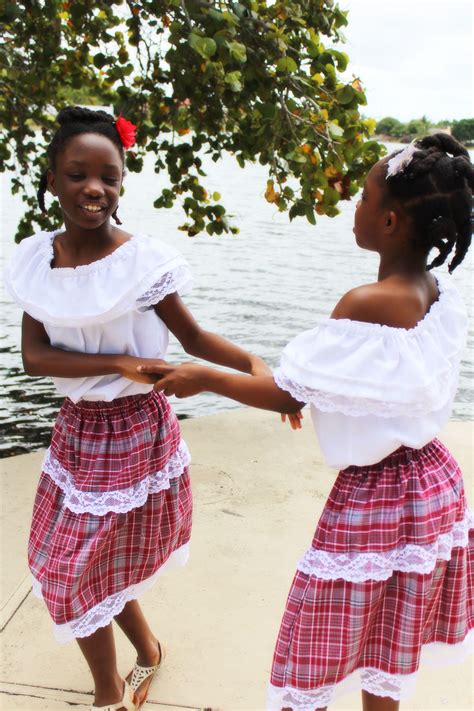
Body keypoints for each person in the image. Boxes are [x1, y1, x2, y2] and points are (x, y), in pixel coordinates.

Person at [139, 134, 474, 711]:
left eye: (364, 197)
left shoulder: (369, 300)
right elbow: (362, 388)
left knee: (318, 644)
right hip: (431, 482)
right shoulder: (434, 289)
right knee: (387, 634)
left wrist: (206, 376)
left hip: (380, 496)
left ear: (390, 221)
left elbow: (287, 395)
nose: (355, 207)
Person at [4, 106, 271, 711]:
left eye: (109, 176)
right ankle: (147, 650)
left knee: (79, 570)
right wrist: (116, 363)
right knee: (78, 565)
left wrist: (258, 368)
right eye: (77, 174)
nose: (94, 188)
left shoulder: (142, 263)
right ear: (51, 179)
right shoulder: (34, 260)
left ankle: (107, 697)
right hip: (76, 431)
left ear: (122, 184)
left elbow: (196, 341)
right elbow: (35, 356)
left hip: (134, 431)